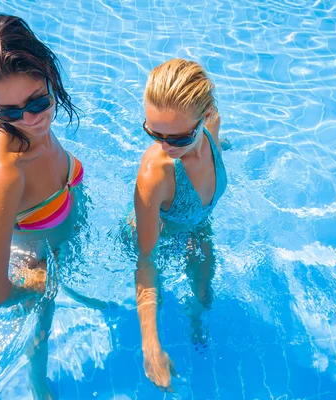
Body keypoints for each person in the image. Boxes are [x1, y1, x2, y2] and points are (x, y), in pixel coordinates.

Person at [0, 13, 84, 308]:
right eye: (8, 112)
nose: (29, 119)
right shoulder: (6, 172)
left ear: (49, 72)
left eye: (38, 101)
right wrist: (39, 285)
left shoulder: (33, 130)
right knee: (39, 351)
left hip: (65, 251)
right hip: (37, 271)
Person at [134, 59, 227, 390]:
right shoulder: (156, 174)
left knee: (205, 301)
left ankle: (197, 322)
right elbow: (145, 262)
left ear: (204, 119)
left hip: (199, 228)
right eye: (153, 132)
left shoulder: (212, 127)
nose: (164, 146)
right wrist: (151, 347)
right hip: (161, 236)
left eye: (177, 137)